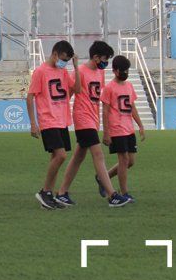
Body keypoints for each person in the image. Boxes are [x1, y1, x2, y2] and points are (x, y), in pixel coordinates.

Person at [55, 41, 129, 207]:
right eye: (104, 58)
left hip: (92, 119)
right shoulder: (80, 71)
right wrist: (60, 115)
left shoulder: (99, 73)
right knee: (98, 154)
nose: (106, 62)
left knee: (78, 157)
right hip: (82, 118)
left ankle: (62, 192)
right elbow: (69, 94)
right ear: (95, 57)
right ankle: (112, 195)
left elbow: (98, 99)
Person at [27, 40, 80, 210]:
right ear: (55, 54)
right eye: (64, 58)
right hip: (48, 120)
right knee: (61, 156)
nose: (64, 62)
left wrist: (76, 68)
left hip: (62, 119)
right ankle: (44, 191)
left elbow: (77, 89)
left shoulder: (63, 72)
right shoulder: (41, 71)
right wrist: (33, 124)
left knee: (55, 158)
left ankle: (48, 194)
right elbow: (30, 97)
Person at [99, 56, 145, 203]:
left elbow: (132, 107)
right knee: (124, 159)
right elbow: (105, 111)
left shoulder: (129, 86)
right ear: (114, 71)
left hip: (129, 129)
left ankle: (102, 177)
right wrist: (106, 132)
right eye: (122, 70)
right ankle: (124, 193)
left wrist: (140, 125)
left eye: (127, 70)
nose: (125, 72)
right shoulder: (109, 88)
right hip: (116, 129)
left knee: (130, 161)